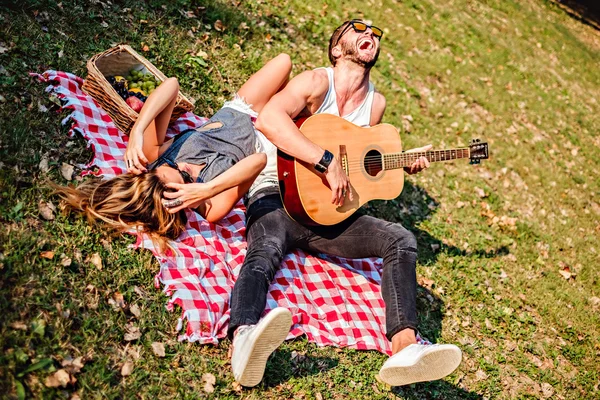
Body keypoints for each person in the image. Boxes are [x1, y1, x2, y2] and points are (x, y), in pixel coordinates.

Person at [227, 20, 462, 388]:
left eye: (375, 33)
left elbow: (360, 164)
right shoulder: (316, 82)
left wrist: (401, 163)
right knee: (266, 249)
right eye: (357, 29)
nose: (369, 34)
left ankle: (405, 348)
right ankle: (243, 340)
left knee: (400, 239)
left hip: (329, 214)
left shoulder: (375, 104)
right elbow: (270, 119)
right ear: (337, 49)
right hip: (278, 191)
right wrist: (324, 161)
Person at [56, 54, 292, 250]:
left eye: (172, 167)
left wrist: (138, 129)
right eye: (186, 177)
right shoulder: (209, 206)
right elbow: (258, 160)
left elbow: (172, 84)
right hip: (267, 138)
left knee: (284, 62)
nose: (182, 166)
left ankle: (284, 106)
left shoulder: (155, 159)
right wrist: (208, 187)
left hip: (239, 111)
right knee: (304, 95)